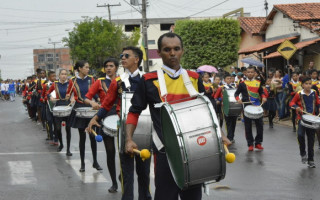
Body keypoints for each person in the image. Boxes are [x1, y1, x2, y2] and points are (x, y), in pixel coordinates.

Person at [123, 32, 230, 200]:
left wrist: (221, 134)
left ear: (182, 51)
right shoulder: (149, 80)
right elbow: (134, 111)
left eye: (176, 49)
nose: (172, 53)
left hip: (194, 150)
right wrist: (128, 139)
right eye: (167, 49)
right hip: (166, 152)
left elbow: (208, 110)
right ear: (159, 52)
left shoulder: (194, 78)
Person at [87, 47, 151, 200]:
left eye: (126, 56)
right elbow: (107, 103)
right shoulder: (118, 81)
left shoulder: (148, 78)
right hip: (124, 130)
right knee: (126, 171)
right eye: (121, 55)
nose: (122, 58)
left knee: (144, 172)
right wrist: (95, 118)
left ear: (136, 59)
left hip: (145, 127)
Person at [84, 58, 119, 193]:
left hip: (120, 115)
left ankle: (122, 174)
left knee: (123, 152)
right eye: (106, 66)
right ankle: (114, 183)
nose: (108, 68)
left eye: (111, 66)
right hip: (104, 116)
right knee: (110, 152)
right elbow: (87, 97)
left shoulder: (122, 80)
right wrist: (92, 103)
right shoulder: (99, 82)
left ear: (116, 67)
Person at [67, 60, 102, 172]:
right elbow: (71, 94)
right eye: (86, 67)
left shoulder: (91, 79)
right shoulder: (73, 80)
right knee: (82, 138)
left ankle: (95, 162)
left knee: (93, 136)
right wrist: (69, 96)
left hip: (91, 109)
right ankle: (82, 163)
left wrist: (97, 99)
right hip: (80, 110)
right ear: (80, 69)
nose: (88, 69)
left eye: (88, 67)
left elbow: (94, 92)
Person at [235, 65, 267, 151]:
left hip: (257, 106)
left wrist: (263, 97)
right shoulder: (242, 84)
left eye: (251, 72)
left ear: (254, 73)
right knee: (248, 126)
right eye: (248, 72)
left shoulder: (258, 82)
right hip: (247, 106)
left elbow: (261, 92)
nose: (250, 73)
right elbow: (236, 94)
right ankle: (250, 144)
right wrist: (238, 99)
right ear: (245, 73)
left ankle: (258, 143)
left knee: (260, 125)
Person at [289, 77, 319, 168]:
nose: (308, 85)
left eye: (310, 84)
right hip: (301, 119)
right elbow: (291, 102)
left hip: (312, 119)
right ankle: (303, 153)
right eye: (306, 84)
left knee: (311, 140)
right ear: (302, 85)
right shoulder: (299, 94)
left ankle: (311, 160)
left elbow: (317, 102)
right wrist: (296, 107)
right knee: (300, 135)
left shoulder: (314, 93)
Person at [47, 69, 72, 155]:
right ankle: (61, 144)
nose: (64, 76)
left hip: (67, 107)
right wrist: (51, 97)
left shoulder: (70, 84)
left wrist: (72, 99)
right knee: (58, 129)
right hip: (58, 107)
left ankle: (68, 149)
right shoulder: (55, 84)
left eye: (65, 74)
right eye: (62, 74)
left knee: (68, 129)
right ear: (59, 75)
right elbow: (47, 93)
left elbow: (75, 95)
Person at [214, 73, 238, 143]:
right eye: (228, 78)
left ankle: (232, 136)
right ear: (224, 80)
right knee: (228, 122)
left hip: (234, 106)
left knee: (234, 122)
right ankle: (229, 137)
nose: (229, 80)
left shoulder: (235, 86)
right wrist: (220, 100)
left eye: (230, 78)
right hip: (225, 106)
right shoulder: (221, 87)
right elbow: (215, 97)